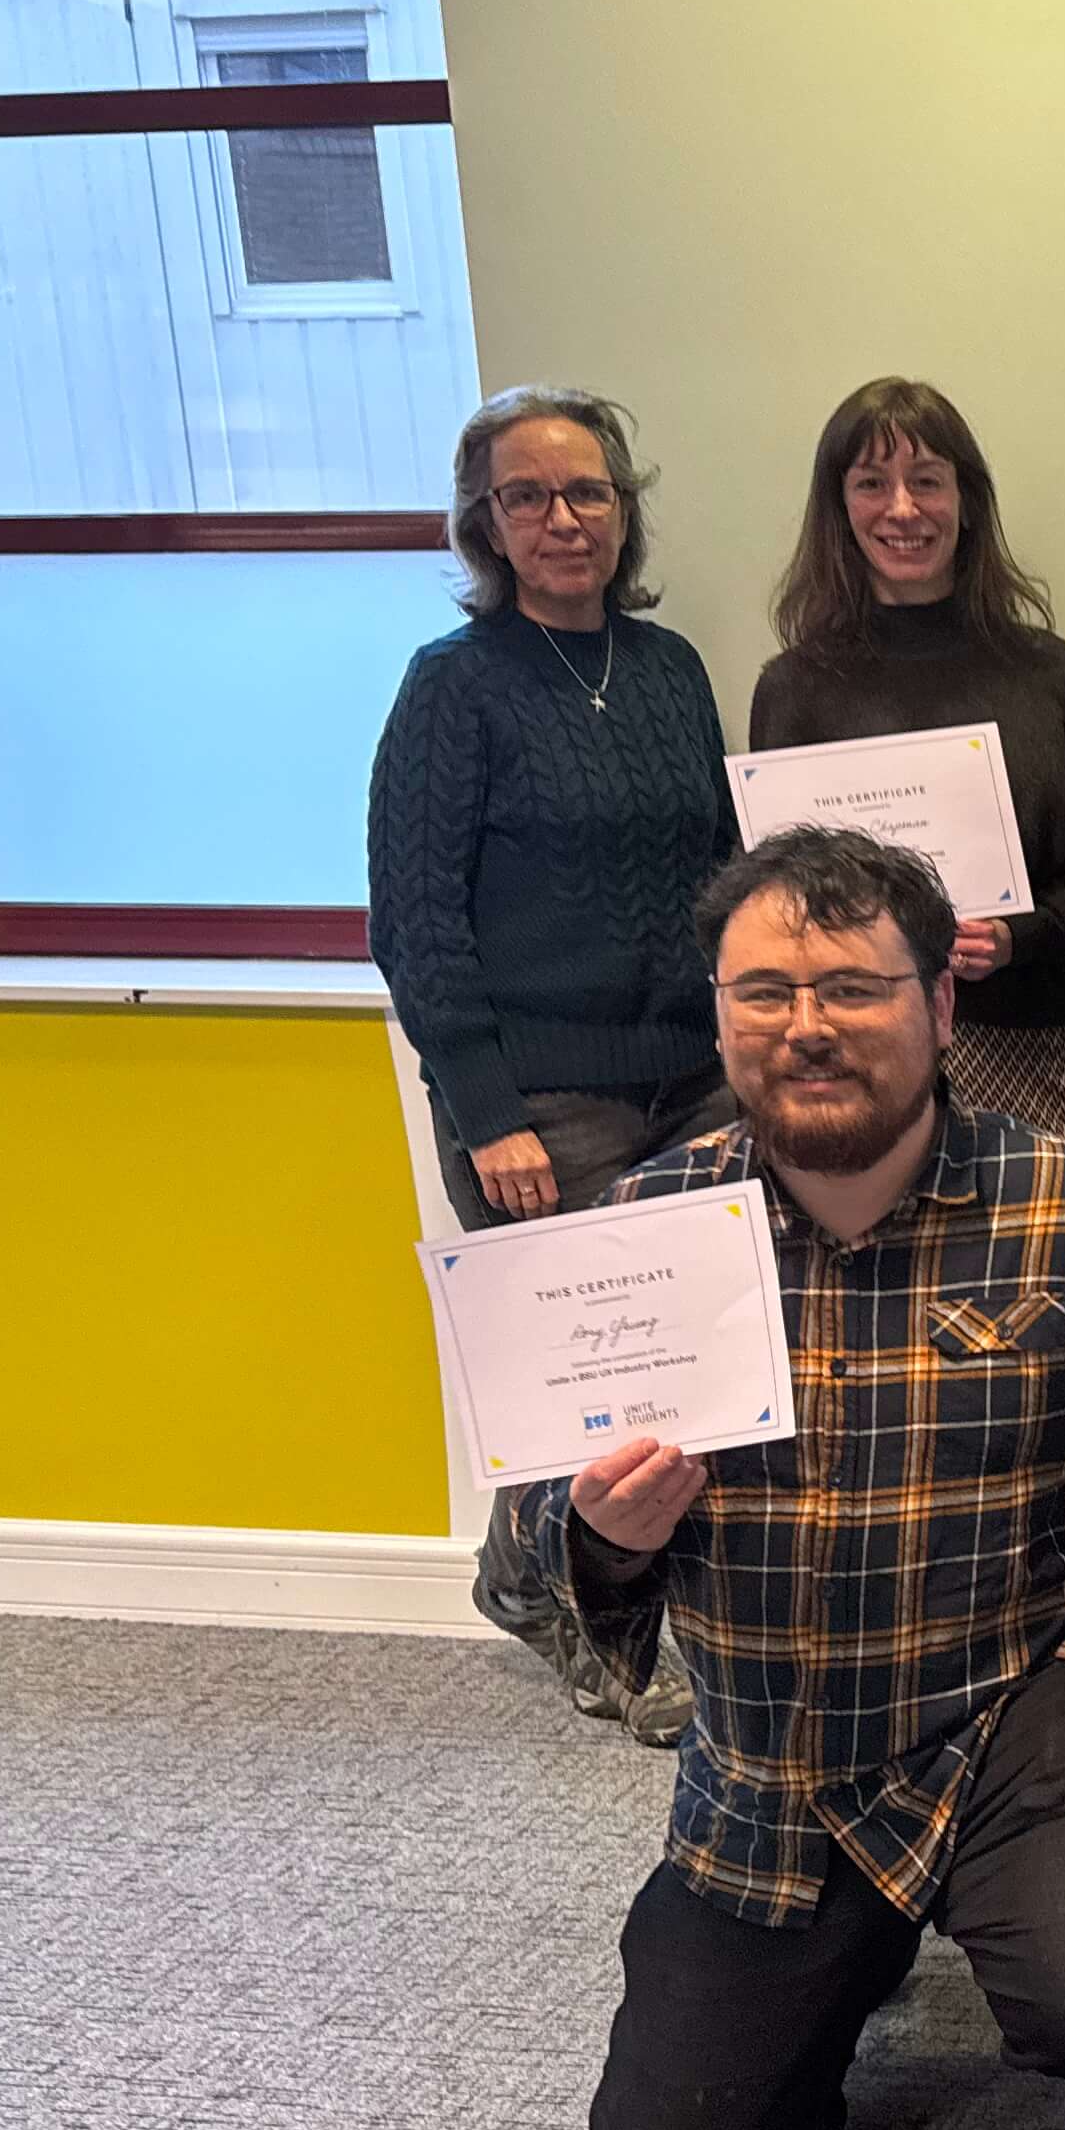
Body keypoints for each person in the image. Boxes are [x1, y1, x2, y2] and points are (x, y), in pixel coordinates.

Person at [535, 827, 1065, 2130]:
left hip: (1018, 1708)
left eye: (852, 989)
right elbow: (524, 1566)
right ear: (718, 1012)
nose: (806, 1027)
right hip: (778, 1770)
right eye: (763, 992)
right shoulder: (631, 1239)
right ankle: (823, 1974)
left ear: (939, 1009)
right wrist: (601, 1537)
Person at [367, 386, 738, 1744]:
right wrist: (485, 1115)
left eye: (587, 491)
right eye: (528, 497)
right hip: (540, 1099)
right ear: (486, 524)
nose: (563, 519)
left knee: (696, 1369)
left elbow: (719, 874)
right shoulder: (451, 690)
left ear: (623, 506)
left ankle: (529, 1572)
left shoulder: (672, 670)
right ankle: (583, 1616)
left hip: (693, 1076)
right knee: (584, 1380)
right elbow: (412, 920)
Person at [747, 377, 1065, 1146]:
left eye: (927, 481)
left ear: (967, 500)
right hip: (854, 1051)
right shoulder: (795, 689)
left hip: (1032, 1041)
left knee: (1046, 1260)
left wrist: (1019, 937)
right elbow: (780, 901)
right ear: (839, 509)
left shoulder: (1045, 674)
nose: (903, 510)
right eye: (872, 484)